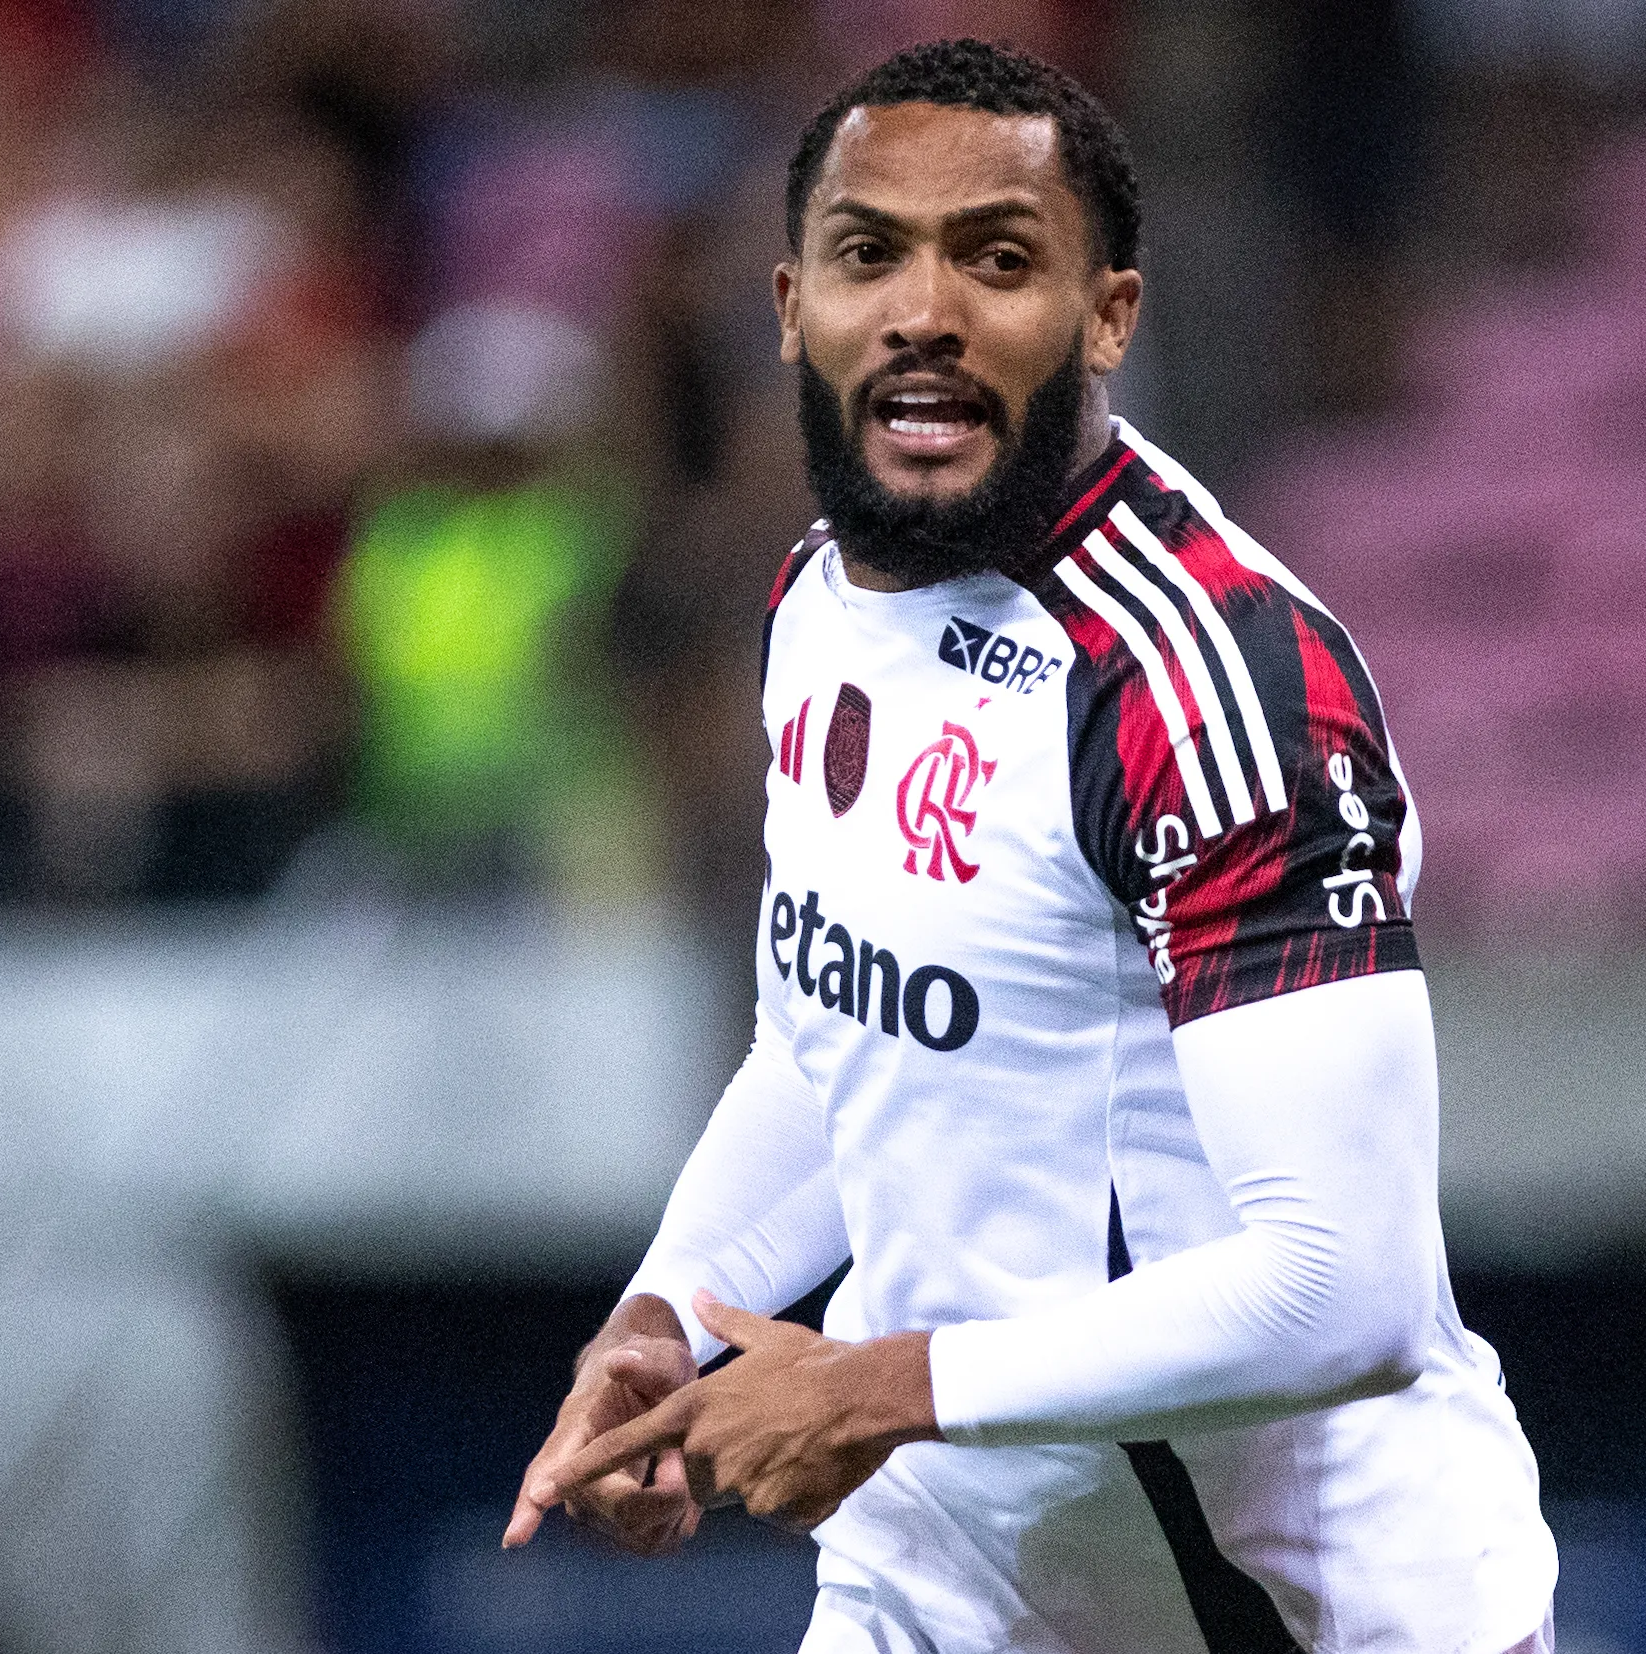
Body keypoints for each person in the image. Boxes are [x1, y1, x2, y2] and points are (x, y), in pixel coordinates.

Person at [504, 39, 1558, 1654]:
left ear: (1109, 315)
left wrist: (875, 1388)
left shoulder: (1205, 685)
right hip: (950, 1575)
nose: (923, 312)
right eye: (869, 255)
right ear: (790, 306)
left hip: (1297, 1614)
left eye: (996, 260)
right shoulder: (816, 602)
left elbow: (1337, 1290)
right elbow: (835, 1043)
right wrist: (669, 1314)